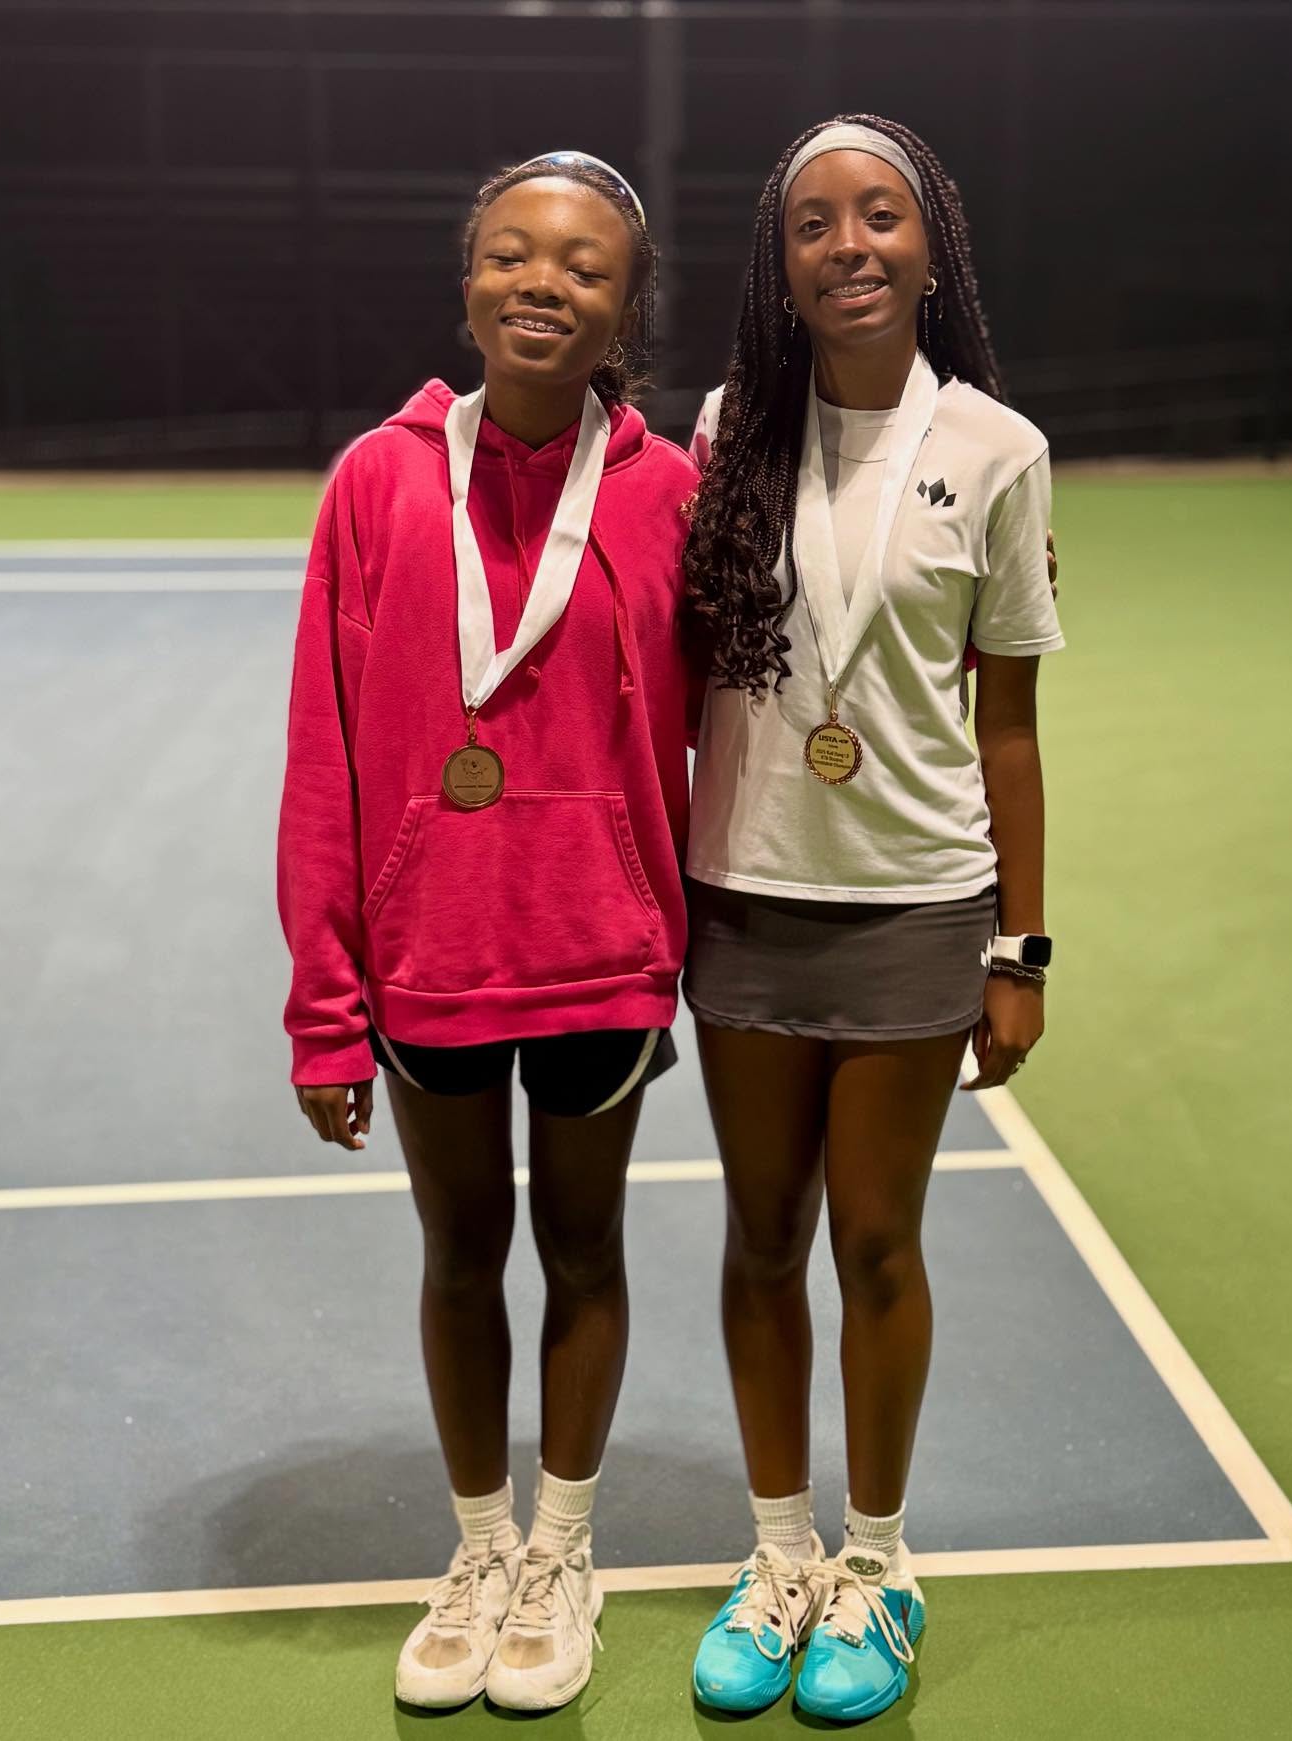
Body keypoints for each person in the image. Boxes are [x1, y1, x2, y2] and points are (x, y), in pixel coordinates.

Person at [277, 151, 697, 1713]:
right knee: (461, 1252)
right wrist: (327, 1000)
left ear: (625, 307)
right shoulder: (377, 481)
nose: (544, 283)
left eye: (583, 267)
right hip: (427, 957)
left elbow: (782, 666)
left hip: (600, 952)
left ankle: (562, 1546)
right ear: (468, 280)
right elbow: (324, 751)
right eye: (514, 255)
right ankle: (475, 1546)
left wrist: (972, 605)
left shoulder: (670, 492)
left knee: (582, 1249)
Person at [682, 115, 1065, 1723]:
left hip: (917, 905)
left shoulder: (997, 449)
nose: (850, 246)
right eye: (814, 225)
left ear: (932, 245)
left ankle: (881, 1564)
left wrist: (1020, 949)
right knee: (761, 1239)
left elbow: (1012, 728)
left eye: (881, 217)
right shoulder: (724, 429)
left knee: (878, 1239)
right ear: (779, 266)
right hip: (746, 899)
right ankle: (781, 1555)